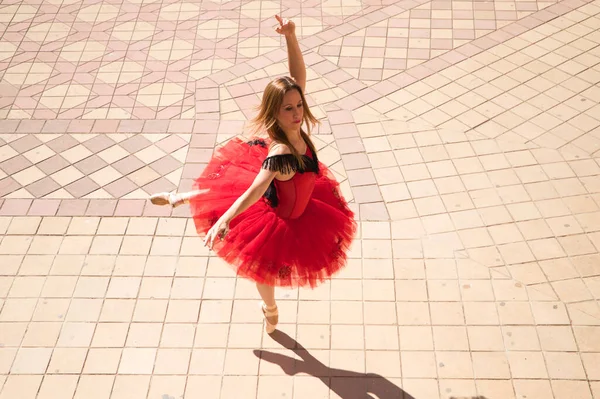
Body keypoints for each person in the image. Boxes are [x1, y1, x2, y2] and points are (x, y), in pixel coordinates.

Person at [149, 15, 356, 334]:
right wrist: (224, 221)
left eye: (298, 105)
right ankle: (269, 307)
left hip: (301, 203)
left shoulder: (295, 126)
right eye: (288, 109)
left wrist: (290, 36)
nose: (297, 113)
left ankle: (177, 198)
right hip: (277, 216)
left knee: (226, 186)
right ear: (275, 111)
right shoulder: (280, 154)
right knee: (264, 270)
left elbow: (296, 76)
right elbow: (252, 193)